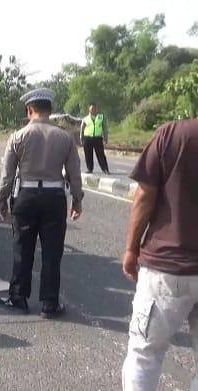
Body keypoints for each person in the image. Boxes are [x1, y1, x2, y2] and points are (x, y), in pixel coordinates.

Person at [121, 117, 198, 391]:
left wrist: (131, 248)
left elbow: (144, 196)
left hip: (167, 269)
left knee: (145, 355)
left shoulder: (173, 134)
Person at [0, 88, 83, 318]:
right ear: (50, 111)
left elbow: (7, 174)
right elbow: (74, 173)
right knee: (52, 253)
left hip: (26, 196)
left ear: (29, 111)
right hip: (55, 199)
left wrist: (2, 199)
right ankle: (49, 304)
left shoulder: (17, 136)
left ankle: (18, 298)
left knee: (22, 250)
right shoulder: (65, 137)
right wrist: (77, 199)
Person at [80, 102, 110, 174]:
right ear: (89, 109)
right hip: (87, 138)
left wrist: (106, 138)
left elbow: (105, 128)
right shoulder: (85, 119)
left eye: (94, 108)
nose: (93, 110)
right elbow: (82, 129)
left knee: (101, 154)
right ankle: (89, 168)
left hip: (98, 138)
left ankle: (105, 169)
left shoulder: (101, 117)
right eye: (92, 108)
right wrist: (81, 138)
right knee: (88, 154)